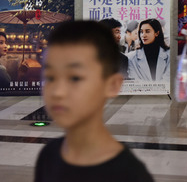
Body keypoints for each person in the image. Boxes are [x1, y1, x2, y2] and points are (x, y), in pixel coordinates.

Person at [34, 21, 154, 182]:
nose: (58, 92)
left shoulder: (130, 174)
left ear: (112, 85)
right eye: (50, 77)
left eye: (75, 78)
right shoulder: (49, 155)